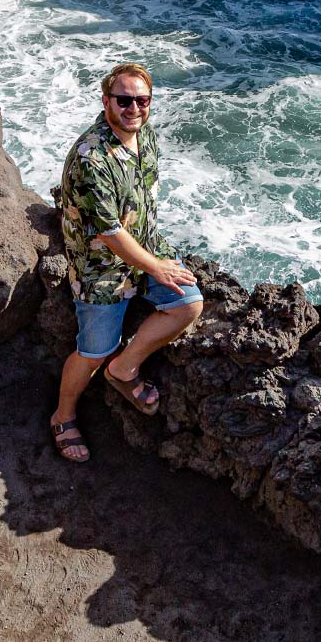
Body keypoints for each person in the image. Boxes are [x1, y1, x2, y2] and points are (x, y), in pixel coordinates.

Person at [49, 62, 204, 463]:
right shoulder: (92, 157)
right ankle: (63, 415)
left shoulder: (144, 135)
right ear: (106, 102)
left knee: (188, 304)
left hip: (144, 246)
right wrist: (157, 268)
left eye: (142, 99)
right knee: (95, 351)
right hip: (101, 268)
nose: (134, 107)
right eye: (124, 100)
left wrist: (154, 259)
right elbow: (109, 232)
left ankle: (125, 370)